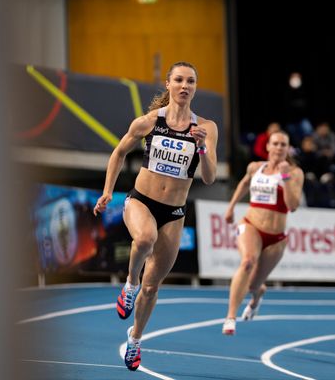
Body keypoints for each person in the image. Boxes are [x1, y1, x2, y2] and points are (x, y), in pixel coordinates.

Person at [93, 61, 218, 371]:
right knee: (145, 239)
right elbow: (119, 152)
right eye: (179, 80)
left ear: (195, 88)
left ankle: (135, 339)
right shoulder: (149, 122)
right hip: (141, 201)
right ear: (168, 84)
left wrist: (202, 147)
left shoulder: (207, 127)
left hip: (174, 212)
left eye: (190, 81)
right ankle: (129, 285)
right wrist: (108, 190)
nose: (184, 85)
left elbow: (210, 178)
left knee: (153, 287)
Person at [222, 131, 304, 335]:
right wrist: (231, 208)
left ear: (287, 149)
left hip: (276, 238)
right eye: (275, 143)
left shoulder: (294, 173)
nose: (278, 148)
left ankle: (258, 295)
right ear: (268, 147)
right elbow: (243, 183)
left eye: (283, 145)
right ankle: (230, 317)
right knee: (247, 261)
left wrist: (284, 177)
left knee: (253, 285)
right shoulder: (255, 167)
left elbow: (292, 206)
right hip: (251, 225)